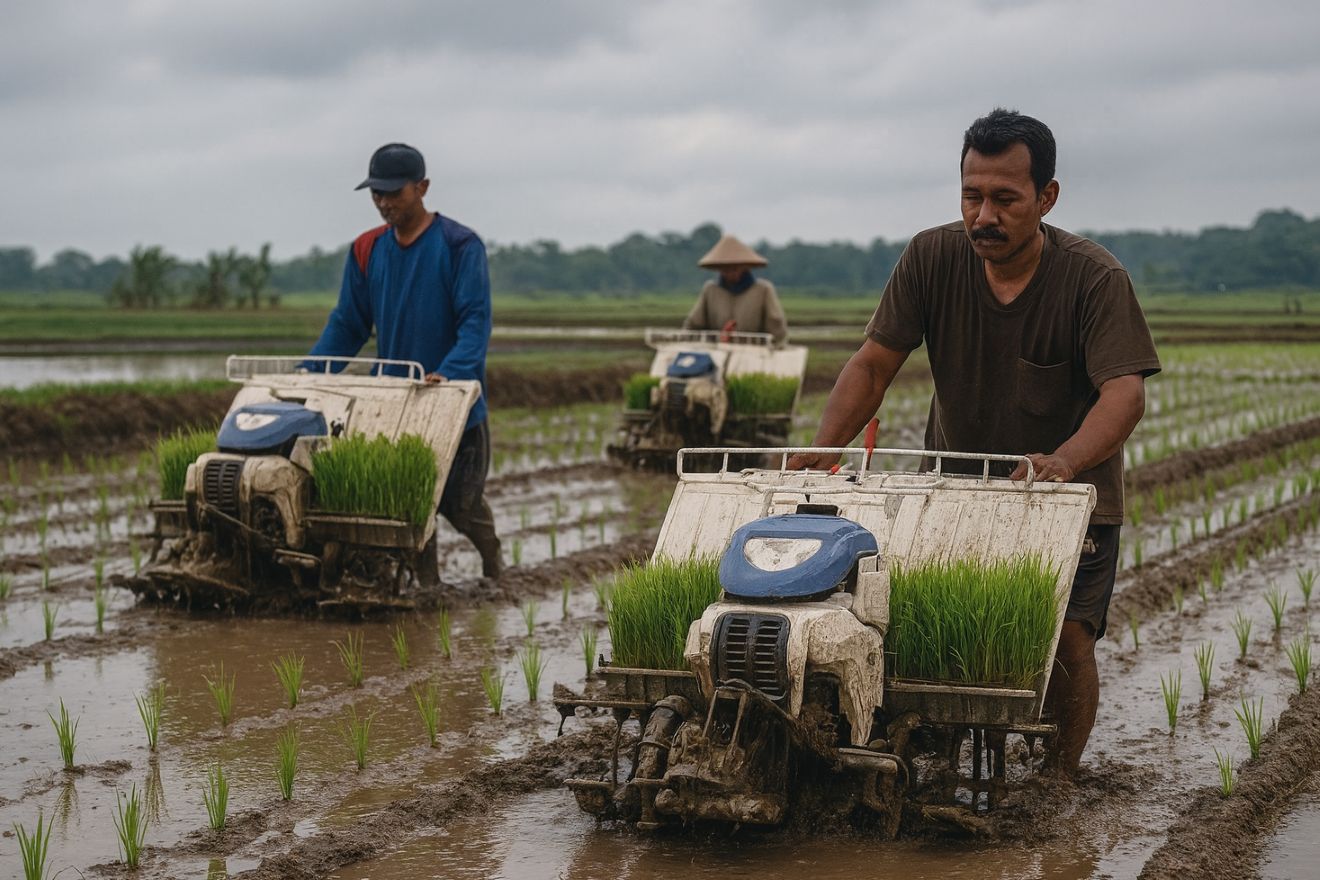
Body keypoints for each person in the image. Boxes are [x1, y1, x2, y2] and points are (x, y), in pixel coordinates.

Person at [790, 109, 1160, 775]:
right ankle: (933, 758)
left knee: (1068, 639)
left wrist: (1065, 461)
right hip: (955, 490)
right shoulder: (931, 257)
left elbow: (1124, 395)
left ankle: (1059, 780)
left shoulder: (1092, 278)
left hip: (1068, 496)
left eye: (1005, 199)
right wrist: (827, 444)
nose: (984, 216)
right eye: (972, 196)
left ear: (1046, 197)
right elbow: (874, 364)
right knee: (929, 627)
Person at [306, 142, 503, 580]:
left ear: (422, 188)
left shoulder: (459, 246)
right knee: (409, 500)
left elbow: (474, 324)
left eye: (394, 192)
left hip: (453, 402)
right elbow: (349, 324)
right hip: (394, 404)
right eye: (376, 193)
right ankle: (427, 587)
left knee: (460, 504)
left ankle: (493, 562)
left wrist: (448, 375)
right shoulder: (366, 249)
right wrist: (311, 371)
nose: (384, 202)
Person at [682, 234, 788, 344]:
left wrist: (774, 346)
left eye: (734, 269)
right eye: (725, 270)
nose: (730, 273)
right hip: (717, 349)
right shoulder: (711, 290)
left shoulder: (763, 290)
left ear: (744, 267)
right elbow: (693, 325)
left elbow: (776, 326)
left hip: (754, 350)